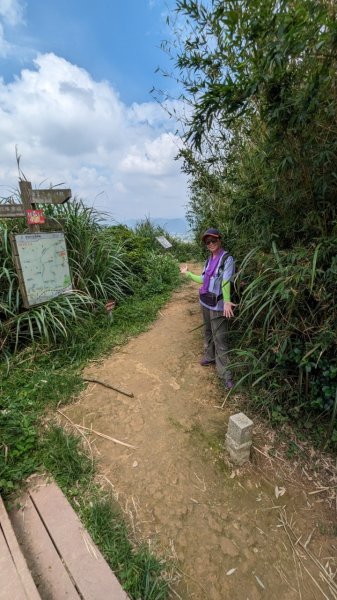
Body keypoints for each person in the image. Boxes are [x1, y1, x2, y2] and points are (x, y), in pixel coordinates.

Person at [180, 228, 236, 389]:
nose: (211, 244)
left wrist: (226, 301)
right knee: (208, 332)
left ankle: (225, 375)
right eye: (208, 242)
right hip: (205, 301)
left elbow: (226, 281)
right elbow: (203, 279)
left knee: (220, 338)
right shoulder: (209, 259)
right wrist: (188, 274)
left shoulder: (227, 259)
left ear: (220, 240)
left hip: (218, 304)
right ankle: (210, 357)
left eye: (214, 240)